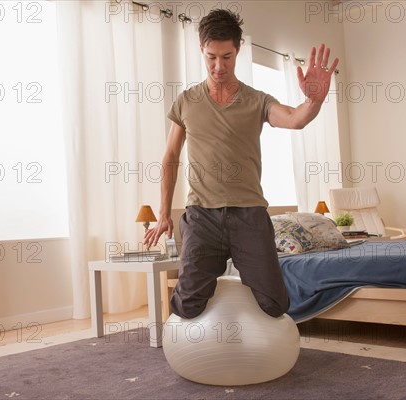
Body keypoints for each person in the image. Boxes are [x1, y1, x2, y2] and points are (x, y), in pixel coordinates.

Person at [144, 9, 338, 319]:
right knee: (186, 306)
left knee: (275, 304)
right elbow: (170, 157)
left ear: (238, 51)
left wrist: (313, 101)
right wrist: (164, 213)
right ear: (201, 50)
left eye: (227, 57)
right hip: (202, 217)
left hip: (249, 216)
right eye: (211, 57)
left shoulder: (256, 100)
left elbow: (294, 119)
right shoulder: (186, 101)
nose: (218, 66)